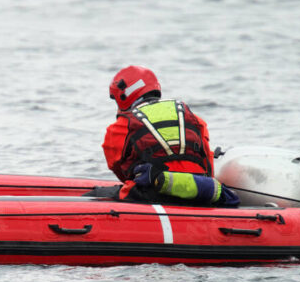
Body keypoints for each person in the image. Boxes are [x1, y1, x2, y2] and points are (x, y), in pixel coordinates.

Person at [101, 66, 238, 207]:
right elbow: (207, 163)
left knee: (98, 196)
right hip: (199, 192)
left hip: (153, 194)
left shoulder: (121, 127)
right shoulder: (193, 118)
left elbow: (121, 171)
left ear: (125, 96)